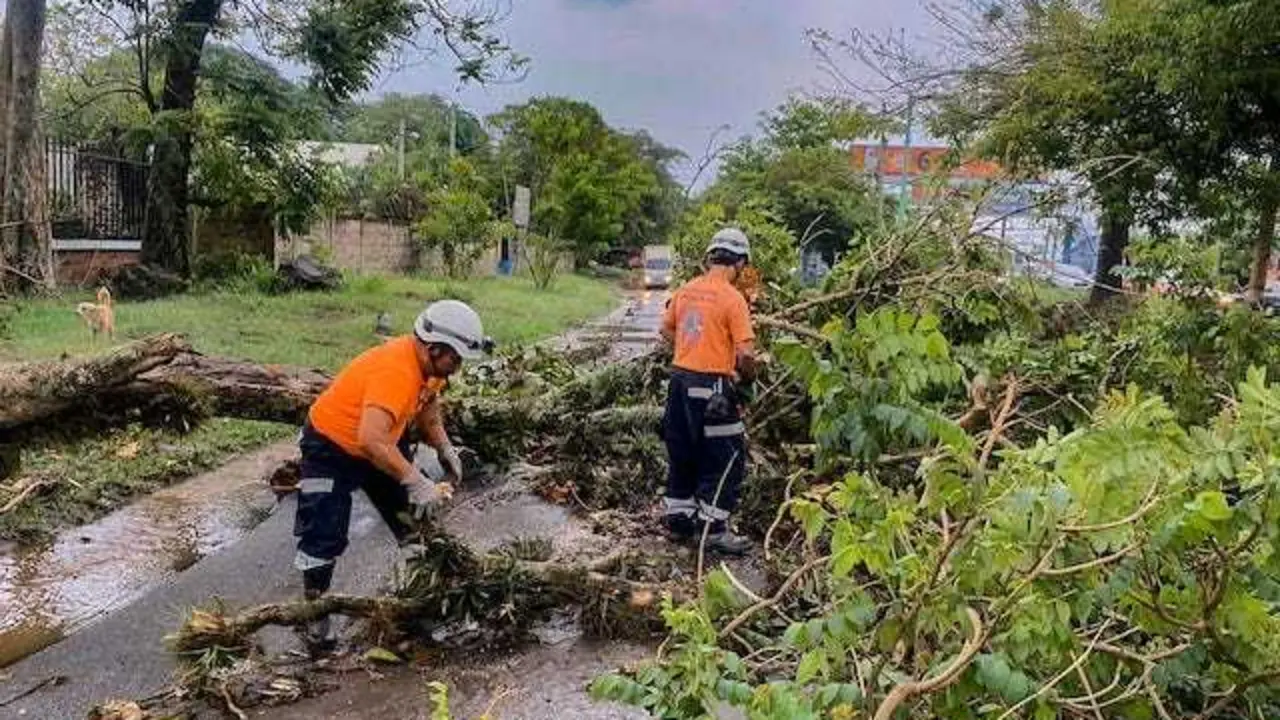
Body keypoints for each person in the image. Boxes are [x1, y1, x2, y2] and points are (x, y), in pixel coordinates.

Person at [293, 299, 492, 649]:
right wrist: (416, 480)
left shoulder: (431, 367)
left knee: (413, 518)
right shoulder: (396, 372)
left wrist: (444, 447)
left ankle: (424, 594)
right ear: (434, 348)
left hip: (382, 439)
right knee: (324, 531)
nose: (457, 368)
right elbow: (370, 441)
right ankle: (315, 611)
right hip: (331, 448)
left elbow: (428, 405)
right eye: (455, 360)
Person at [660, 228, 757, 555]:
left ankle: (679, 520)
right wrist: (747, 379)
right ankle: (713, 529)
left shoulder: (686, 290)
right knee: (726, 456)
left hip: (679, 383)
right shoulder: (733, 298)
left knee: (682, 450)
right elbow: (745, 354)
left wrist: (692, 348)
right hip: (713, 387)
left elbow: (666, 329)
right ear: (739, 262)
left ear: (710, 256)